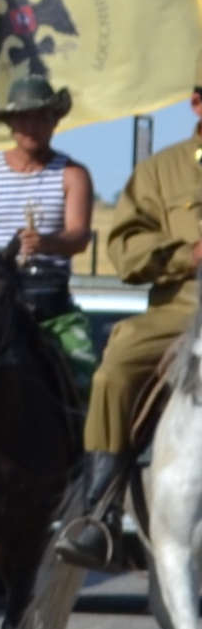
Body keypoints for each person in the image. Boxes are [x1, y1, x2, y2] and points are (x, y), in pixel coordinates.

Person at [73, 87, 202, 549]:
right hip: (180, 308)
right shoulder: (159, 172)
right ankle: (99, 511)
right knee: (113, 371)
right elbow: (125, 248)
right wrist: (187, 254)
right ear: (196, 103)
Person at [0, 59, 98, 262]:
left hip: (48, 285)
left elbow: (80, 235)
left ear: (54, 121)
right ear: (10, 122)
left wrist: (47, 243)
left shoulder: (72, 175)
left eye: (41, 117)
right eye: (23, 117)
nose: (32, 126)